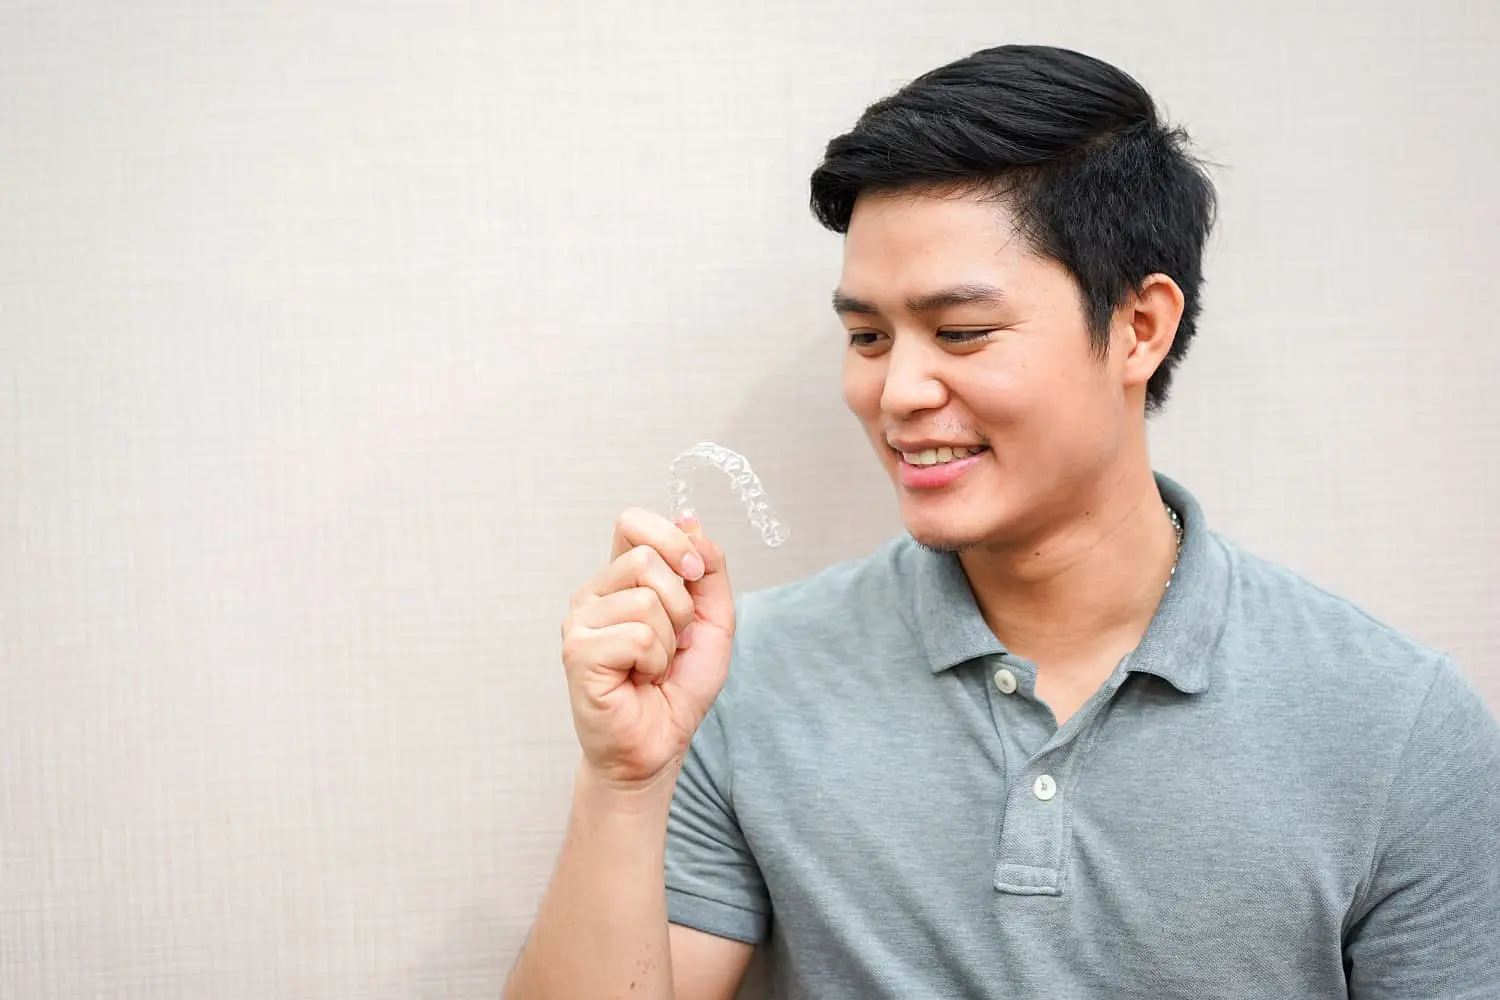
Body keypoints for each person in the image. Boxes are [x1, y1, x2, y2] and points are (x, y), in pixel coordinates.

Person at [504, 44, 1500, 999]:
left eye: (962, 332)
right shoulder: (745, 674)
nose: (895, 392)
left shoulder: (1396, 725)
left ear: (1140, 327)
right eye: (866, 335)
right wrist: (623, 782)